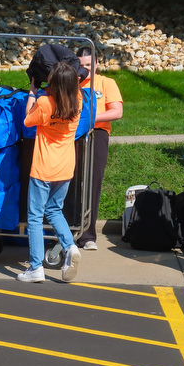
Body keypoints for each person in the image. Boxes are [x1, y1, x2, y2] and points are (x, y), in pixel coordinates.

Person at [18, 61, 82, 283]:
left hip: (43, 167)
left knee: (35, 217)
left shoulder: (44, 103)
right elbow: (73, 84)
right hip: (65, 167)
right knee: (55, 211)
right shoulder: (78, 102)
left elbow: (27, 121)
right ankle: (70, 246)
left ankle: (36, 268)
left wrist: (32, 93)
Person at [76, 47, 123, 250]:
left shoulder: (106, 83)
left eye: (88, 64)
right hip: (74, 134)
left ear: (96, 63)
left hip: (97, 134)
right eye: (81, 65)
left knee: (92, 182)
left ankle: (87, 235)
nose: (85, 69)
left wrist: (90, 118)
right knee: (72, 182)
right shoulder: (72, 82)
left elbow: (117, 112)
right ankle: (68, 230)